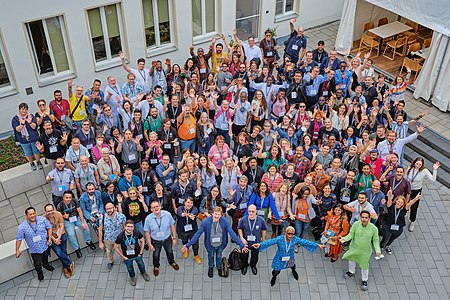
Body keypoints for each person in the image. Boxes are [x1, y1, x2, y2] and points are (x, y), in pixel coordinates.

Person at [182, 206, 248, 278]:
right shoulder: (206, 222)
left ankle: (219, 267)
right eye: (215, 214)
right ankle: (211, 267)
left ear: (221, 215)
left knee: (219, 256)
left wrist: (241, 245)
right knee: (211, 256)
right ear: (212, 214)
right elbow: (198, 234)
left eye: (218, 214)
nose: (217, 216)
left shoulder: (224, 222)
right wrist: (188, 245)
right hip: (210, 245)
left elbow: (232, 234)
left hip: (220, 244)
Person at [252, 226, 325, 286]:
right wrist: (260, 244)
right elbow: (270, 242)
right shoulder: (280, 239)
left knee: (292, 266)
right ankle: (274, 277)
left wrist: (318, 245)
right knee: (276, 271)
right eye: (288, 234)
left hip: (290, 257)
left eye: (292, 234)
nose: (290, 236)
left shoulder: (295, 239)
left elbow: (305, 242)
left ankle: (293, 271)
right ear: (286, 233)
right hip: (280, 257)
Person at [341, 210, 382, 291]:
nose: (364, 219)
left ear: (369, 219)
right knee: (351, 260)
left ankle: (364, 280)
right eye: (362, 217)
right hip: (354, 248)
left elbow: (375, 240)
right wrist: (344, 239)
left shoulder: (374, 229)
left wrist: (378, 250)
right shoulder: (356, 224)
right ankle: (351, 271)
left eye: (366, 218)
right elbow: (351, 234)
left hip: (365, 251)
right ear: (360, 218)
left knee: (364, 266)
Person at [16, 207, 54, 282]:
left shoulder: (42, 220)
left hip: (45, 245)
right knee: (37, 263)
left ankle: (46, 265)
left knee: (45, 258)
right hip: (35, 250)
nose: (33, 215)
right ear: (26, 216)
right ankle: (39, 273)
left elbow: (49, 227)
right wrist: (17, 250)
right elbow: (19, 239)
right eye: (30, 214)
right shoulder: (22, 227)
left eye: (34, 213)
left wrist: (49, 238)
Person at [144, 201, 179, 277]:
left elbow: (172, 226)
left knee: (170, 251)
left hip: (167, 238)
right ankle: (156, 266)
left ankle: (172, 262)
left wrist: (174, 237)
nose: (156, 208)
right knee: (156, 254)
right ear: (151, 209)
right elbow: (147, 232)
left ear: (160, 206)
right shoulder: (148, 219)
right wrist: (149, 244)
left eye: (157, 206)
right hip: (155, 241)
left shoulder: (167, 214)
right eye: (153, 207)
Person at [56, 191, 95, 258]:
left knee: (86, 227)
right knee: (71, 234)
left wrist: (83, 222)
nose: (68, 199)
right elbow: (59, 217)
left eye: (70, 197)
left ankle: (89, 241)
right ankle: (77, 249)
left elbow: (79, 211)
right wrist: (63, 216)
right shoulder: (60, 205)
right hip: (67, 221)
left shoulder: (75, 201)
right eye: (66, 198)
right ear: (63, 198)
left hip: (77, 218)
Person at [405, 158, 439, 232]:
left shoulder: (424, 171)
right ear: (414, 163)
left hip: (416, 190)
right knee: (405, 202)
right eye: (417, 164)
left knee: (414, 207)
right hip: (408, 189)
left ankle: (412, 221)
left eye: (420, 165)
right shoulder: (410, 168)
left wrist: (435, 170)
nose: (418, 166)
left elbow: (433, 179)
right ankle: (402, 214)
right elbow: (406, 178)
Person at [114, 220, 150, 286]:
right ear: (124, 227)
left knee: (141, 264)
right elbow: (116, 247)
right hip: (127, 257)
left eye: (131, 227)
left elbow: (142, 241)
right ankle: (132, 277)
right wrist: (123, 257)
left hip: (137, 254)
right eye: (128, 226)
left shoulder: (136, 232)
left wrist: (141, 252)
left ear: (133, 227)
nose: (129, 228)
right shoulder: (120, 236)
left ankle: (143, 273)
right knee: (129, 268)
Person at [43, 204, 74, 278]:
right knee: (59, 253)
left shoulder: (58, 214)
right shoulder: (43, 219)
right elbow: (46, 232)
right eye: (48, 211)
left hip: (61, 234)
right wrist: (55, 239)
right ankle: (69, 264)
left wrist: (59, 237)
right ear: (45, 212)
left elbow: (61, 225)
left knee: (64, 251)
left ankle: (65, 267)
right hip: (52, 238)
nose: (50, 212)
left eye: (51, 210)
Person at [237, 204, 267, 275]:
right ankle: (244, 266)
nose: (251, 213)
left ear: (256, 211)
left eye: (253, 211)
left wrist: (263, 240)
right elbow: (239, 228)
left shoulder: (261, 220)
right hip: (245, 243)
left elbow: (264, 229)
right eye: (249, 211)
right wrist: (241, 238)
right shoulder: (243, 219)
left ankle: (253, 265)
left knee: (255, 256)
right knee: (244, 255)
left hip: (256, 242)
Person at [12, 102, 42, 170]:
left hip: (33, 138)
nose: (24, 111)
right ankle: (31, 163)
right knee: (28, 153)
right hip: (23, 139)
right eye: (22, 109)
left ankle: (38, 162)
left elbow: (34, 127)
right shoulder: (15, 119)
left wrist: (30, 122)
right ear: (19, 110)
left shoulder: (31, 116)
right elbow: (17, 129)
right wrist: (22, 124)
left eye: (25, 109)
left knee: (36, 151)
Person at [98, 202, 126, 271]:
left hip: (119, 238)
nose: (109, 210)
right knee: (109, 251)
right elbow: (100, 230)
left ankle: (124, 259)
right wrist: (100, 242)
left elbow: (124, 227)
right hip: (108, 239)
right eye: (107, 209)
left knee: (121, 249)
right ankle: (110, 261)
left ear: (114, 208)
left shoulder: (121, 216)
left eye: (110, 208)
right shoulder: (102, 218)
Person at [176, 197, 202, 264]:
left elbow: (195, 212)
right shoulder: (180, 208)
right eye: (188, 202)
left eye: (191, 203)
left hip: (193, 230)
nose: (189, 204)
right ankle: (186, 249)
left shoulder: (194, 208)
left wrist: (191, 215)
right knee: (184, 241)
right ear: (184, 203)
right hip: (182, 230)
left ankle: (196, 255)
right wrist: (183, 214)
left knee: (195, 244)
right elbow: (179, 213)